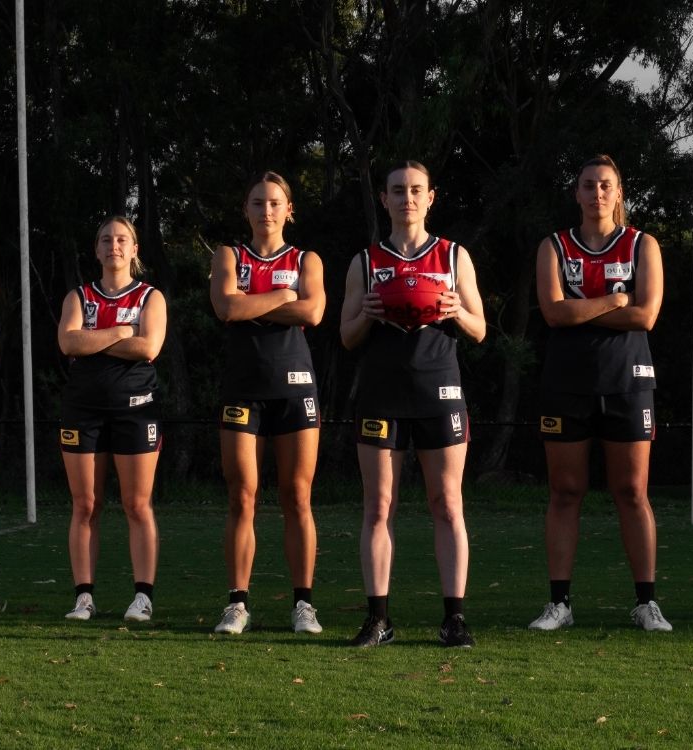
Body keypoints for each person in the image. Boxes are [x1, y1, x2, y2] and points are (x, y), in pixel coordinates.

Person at [339, 160, 487, 647]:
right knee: (379, 506)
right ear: (384, 198)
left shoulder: (452, 256)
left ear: (431, 197)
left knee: (447, 504)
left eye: (416, 190)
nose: (407, 198)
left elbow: (481, 328)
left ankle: (454, 618)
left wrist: (455, 310)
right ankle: (378, 618)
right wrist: (366, 313)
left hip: (439, 389)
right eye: (397, 190)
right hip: (382, 393)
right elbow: (346, 336)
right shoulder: (365, 261)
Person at [528, 154, 671, 632]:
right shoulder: (554, 246)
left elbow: (646, 316)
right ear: (576, 193)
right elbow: (552, 313)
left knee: (632, 491)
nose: (597, 193)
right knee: (566, 492)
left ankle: (646, 602)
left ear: (619, 192)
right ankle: (559, 604)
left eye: (606, 185)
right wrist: (612, 301)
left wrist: (580, 309)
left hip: (628, 380)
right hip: (567, 383)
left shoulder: (641, 244)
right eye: (588, 185)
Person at [208, 172, 326, 635]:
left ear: (288, 210)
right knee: (242, 497)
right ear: (246, 209)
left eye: (275, 203)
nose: (266, 211)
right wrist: (281, 295)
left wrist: (250, 301)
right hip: (242, 388)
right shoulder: (229, 255)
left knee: (298, 496)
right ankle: (237, 603)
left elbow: (314, 312)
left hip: (295, 386)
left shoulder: (306, 259)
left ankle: (303, 605)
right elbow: (226, 308)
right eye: (257, 203)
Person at [58, 216, 167, 623]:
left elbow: (149, 347)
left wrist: (94, 340)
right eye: (106, 239)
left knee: (137, 504)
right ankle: (84, 597)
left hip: (136, 409)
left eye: (122, 239)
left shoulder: (150, 296)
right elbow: (68, 341)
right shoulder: (79, 296)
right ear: (97, 248)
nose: (114, 246)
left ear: (134, 249)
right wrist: (121, 330)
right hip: (82, 411)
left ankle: (142, 598)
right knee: (85, 504)